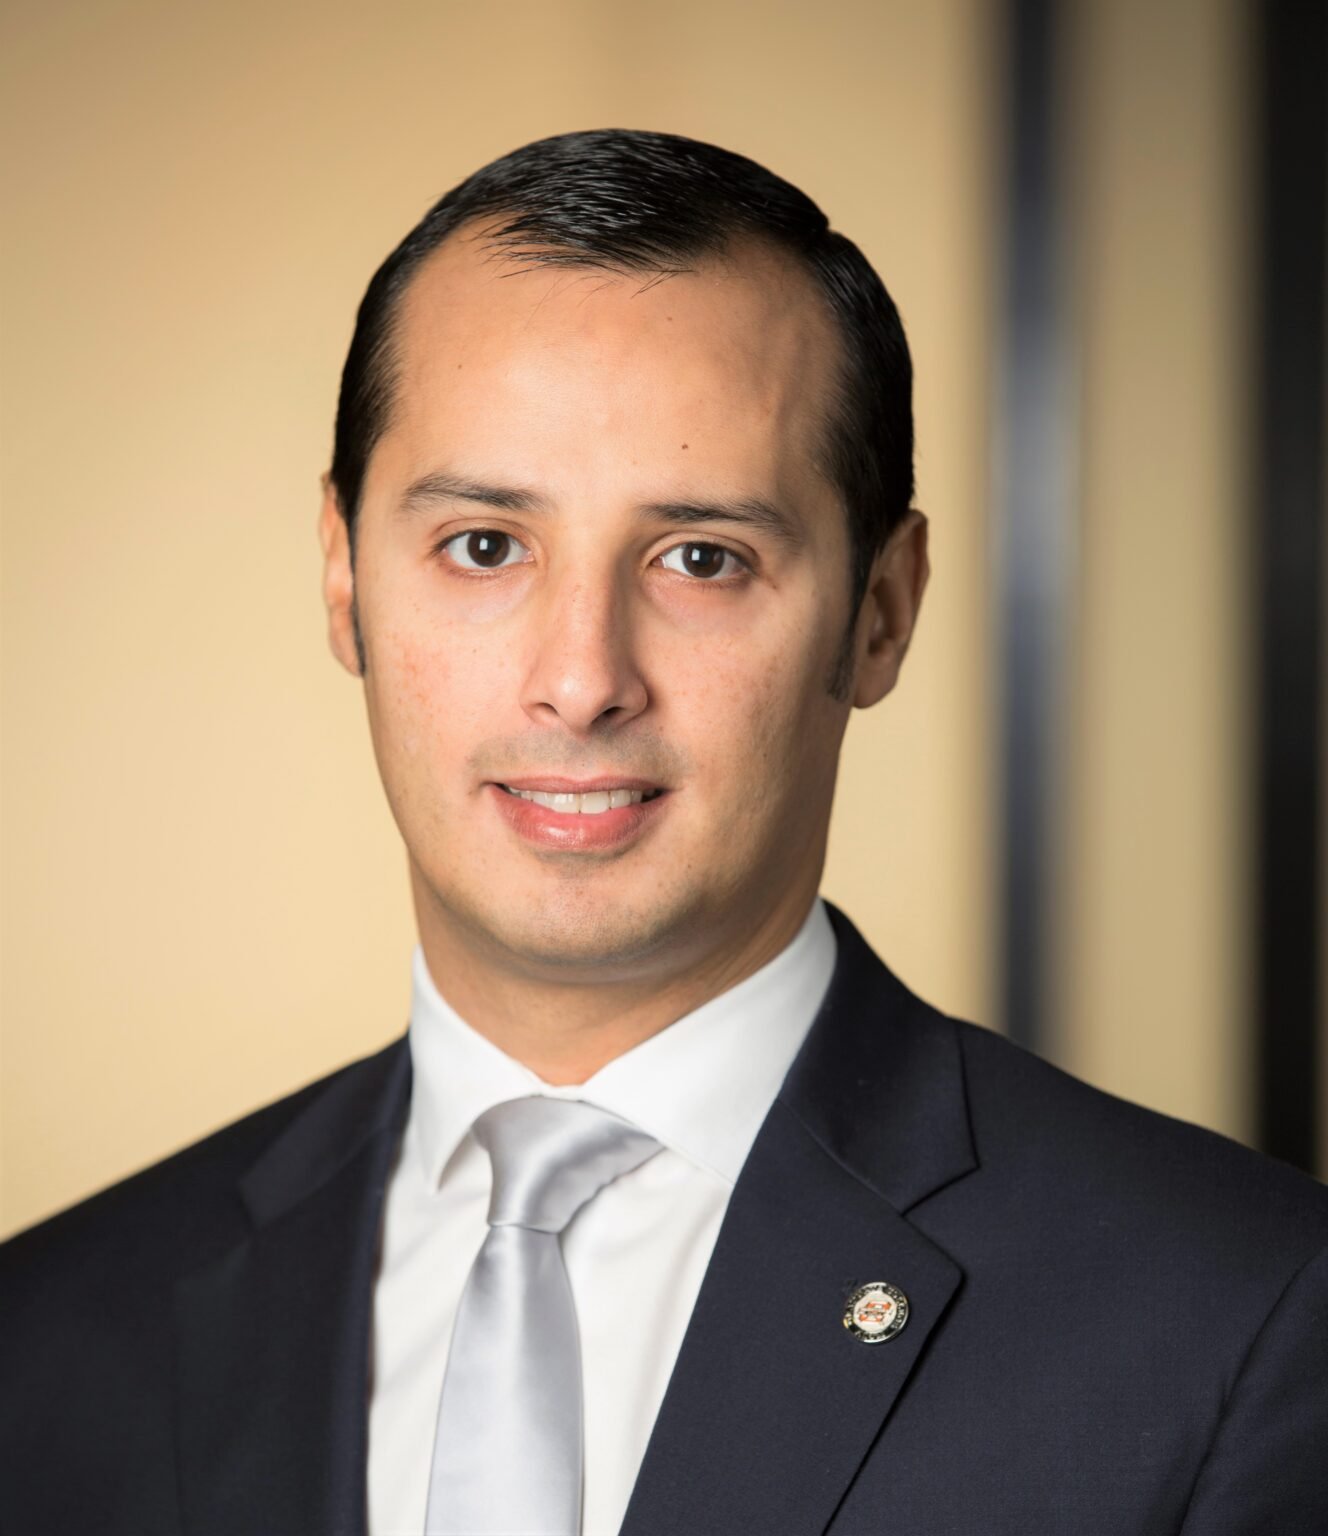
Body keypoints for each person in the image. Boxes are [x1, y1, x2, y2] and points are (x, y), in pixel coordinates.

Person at [2, 128, 1325, 1536]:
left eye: (702, 559)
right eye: (484, 546)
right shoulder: (49, 1343)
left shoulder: (1244, 1321)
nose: (581, 680)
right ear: (343, 578)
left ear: (882, 611)